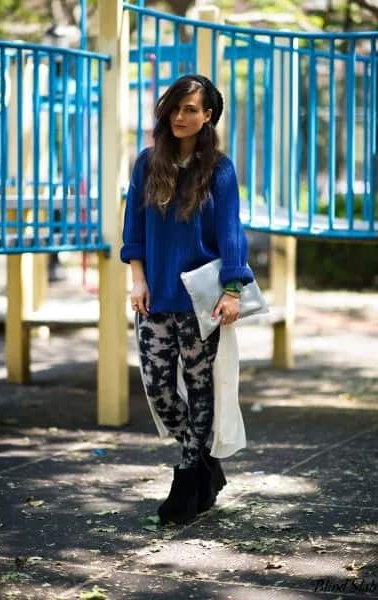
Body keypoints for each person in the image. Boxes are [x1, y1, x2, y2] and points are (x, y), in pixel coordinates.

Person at [120, 74, 254, 525]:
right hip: (155, 295)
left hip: (202, 299)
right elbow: (133, 232)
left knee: (200, 390)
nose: (180, 117)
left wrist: (233, 289)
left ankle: (187, 474)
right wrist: (137, 280)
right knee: (158, 386)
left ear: (208, 115)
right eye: (175, 108)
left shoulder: (220, 169)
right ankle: (203, 464)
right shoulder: (146, 163)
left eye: (191, 109)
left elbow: (231, 232)